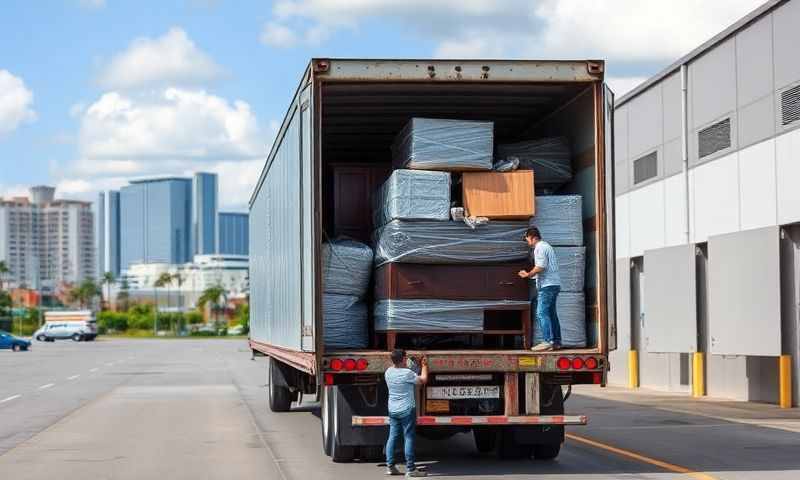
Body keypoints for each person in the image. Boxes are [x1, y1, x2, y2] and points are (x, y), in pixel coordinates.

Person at [384, 348, 428, 477]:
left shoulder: (388, 372)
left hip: (392, 410)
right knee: (408, 437)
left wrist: (411, 367)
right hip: (407, 410)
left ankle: (390, 466)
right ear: (403, 359)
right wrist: (424, 365)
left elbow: (403, 371)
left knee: (392, 437)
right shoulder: (408, 374)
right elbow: (423, 380)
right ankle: (411, 469)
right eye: (406, 358)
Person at [518, 226, 562, 352]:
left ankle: (548, 341)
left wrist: (528, 274)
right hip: (554, 284)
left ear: (533, 238)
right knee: (551, 314)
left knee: (541, 313)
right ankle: (557, 342)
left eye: (527, 240)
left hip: (547, 285)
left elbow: (540, 267)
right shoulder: (546, 246)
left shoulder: (540, 248)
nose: (528, 243)